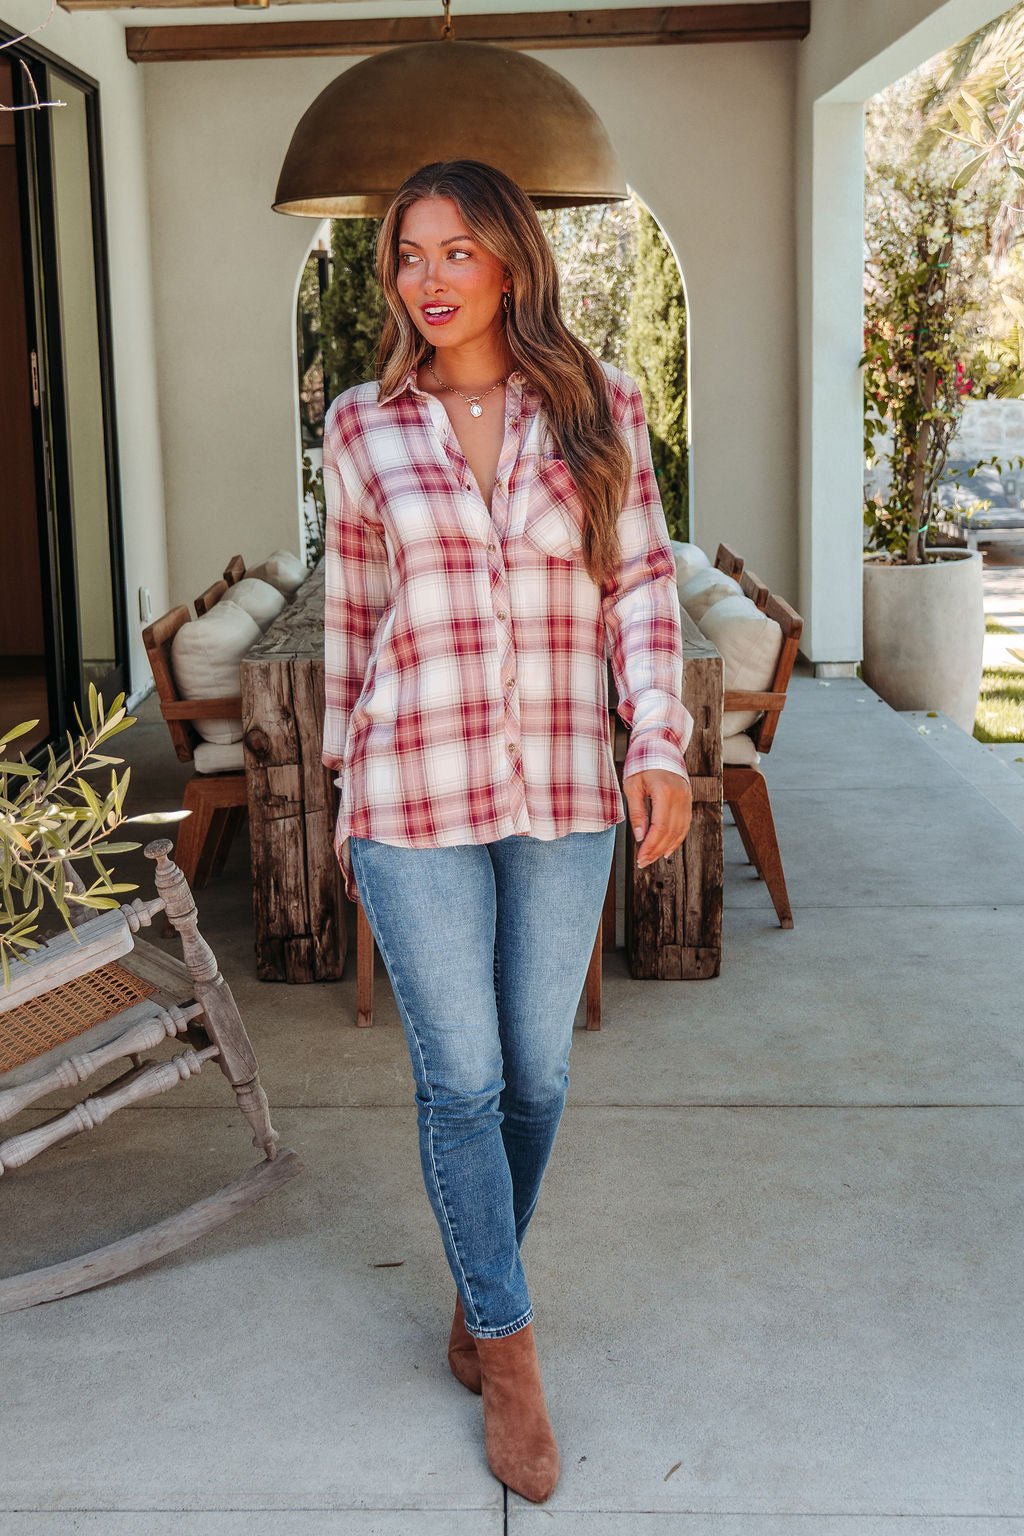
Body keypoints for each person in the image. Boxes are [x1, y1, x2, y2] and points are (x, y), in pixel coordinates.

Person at [321, 159, 694, 1505]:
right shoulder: (362, 425)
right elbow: (352, 629)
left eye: (456, 251)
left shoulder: (601, 414)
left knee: (538, 1078)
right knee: (461, 1079)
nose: (428, 279)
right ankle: (516, 1352)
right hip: (411, 793)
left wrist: (656, 744)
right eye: (407, 256)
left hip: (560, 793)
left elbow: (639, 593)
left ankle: (480, 1300)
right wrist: (338, 799)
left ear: (511, 264)